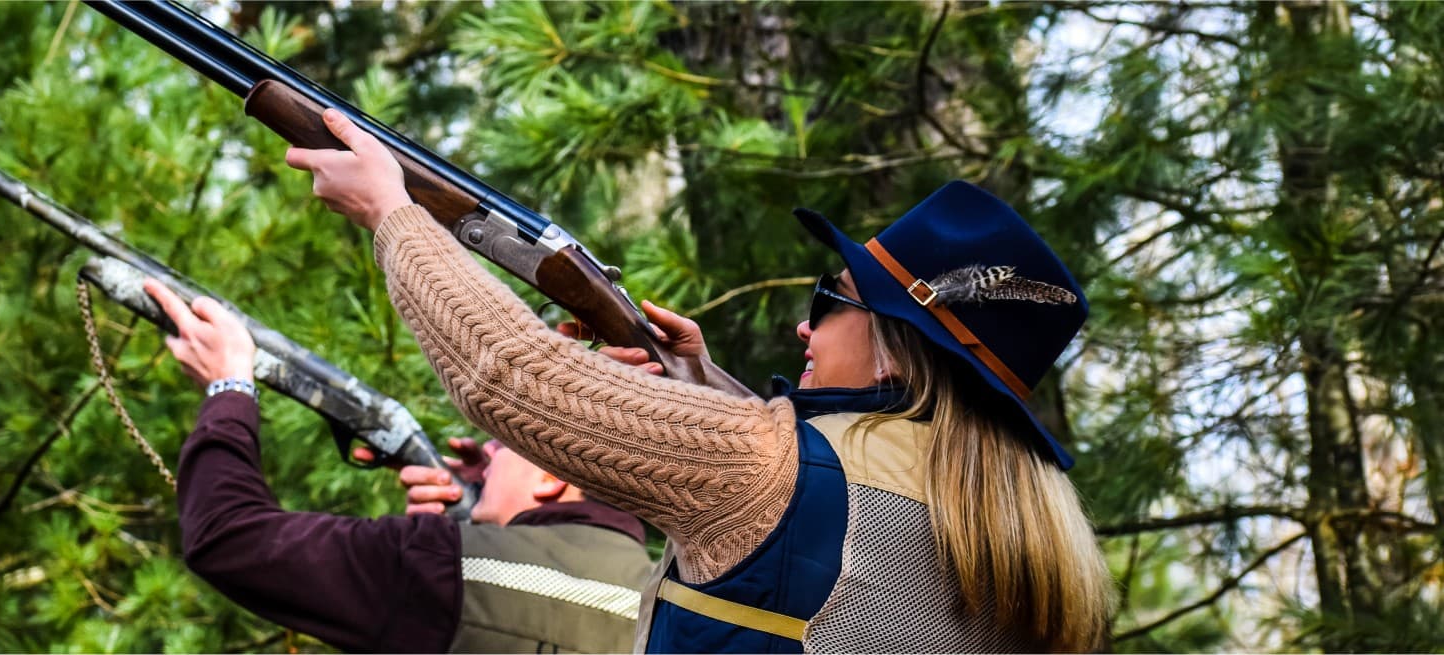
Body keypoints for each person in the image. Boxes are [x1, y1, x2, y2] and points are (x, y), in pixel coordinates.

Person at [282, 108, 1115, 652]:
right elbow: (826, 532)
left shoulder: (765, 466)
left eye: (831, 298)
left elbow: (508, 376)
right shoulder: (1020, 524)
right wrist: (698, 379)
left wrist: (392, 213)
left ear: (899, 352)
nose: (805, 323)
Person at [143, 281, 656, 654]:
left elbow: (226, 538)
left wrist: (228, 384)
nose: (486, 453)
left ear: (552, 479)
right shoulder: (670, 597)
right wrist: (486, 512)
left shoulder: (442, 568)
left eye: (505, 443)